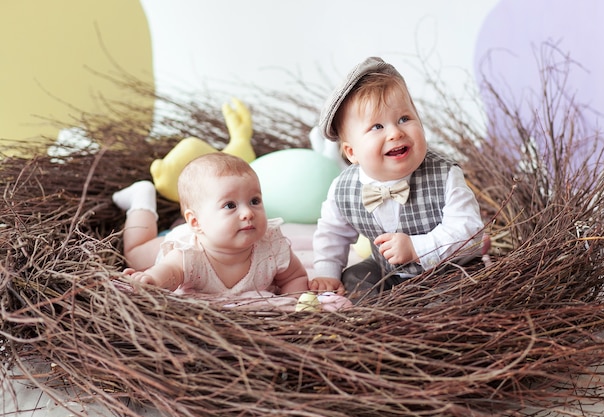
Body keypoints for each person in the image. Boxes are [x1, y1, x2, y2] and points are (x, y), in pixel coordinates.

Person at [309, 57, 486, 300]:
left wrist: (417, 248)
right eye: (377, 127)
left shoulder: (445, 174)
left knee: (457, 293)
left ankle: (429, 320)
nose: (395, 132)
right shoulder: (344, 188)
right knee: (354, 279)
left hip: (448, 270)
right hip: (387, 272)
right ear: (352, 153)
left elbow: (470, 234)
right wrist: (327, 272)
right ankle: (378, 320)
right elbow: (332, 233)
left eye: (404, 119)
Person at [112, 152, 310, 301]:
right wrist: (152, 280)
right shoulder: (188, 254)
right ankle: (141, 197)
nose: (248, 213)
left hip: (209, 229)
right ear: (196, 222)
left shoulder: (272, 245)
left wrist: (294, 303)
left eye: (254, 201)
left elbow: (294, 277)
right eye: (230, 205)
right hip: (183, 238)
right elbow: (169, 272)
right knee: (134, 253)